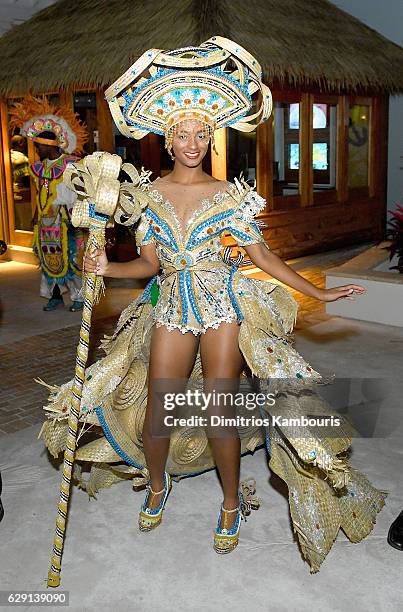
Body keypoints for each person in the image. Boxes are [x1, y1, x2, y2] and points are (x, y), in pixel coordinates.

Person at [39, 37, 386, 572]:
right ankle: (156, 486)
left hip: (222, 305)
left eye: (202, 133)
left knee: (220, 406)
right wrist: (108, 268)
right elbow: (149, 265)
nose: (194, 142)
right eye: (184, 133)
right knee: (161, 402)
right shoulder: (149, 197)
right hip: (172, 305)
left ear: (210, 137)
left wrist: (317, 291)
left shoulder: (230, 195)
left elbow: (262, 256)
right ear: (168, 139)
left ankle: (230, 504)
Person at [10, 96, 88, 311]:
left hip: (65, 221)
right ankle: (55, 296)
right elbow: (40, 195)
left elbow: (78, 193)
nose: (35, 150)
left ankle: (78, 296)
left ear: (49, 146)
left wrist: (72, 215)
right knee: (47, 259)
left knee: (71, 260)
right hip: (45, 223)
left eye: (38, 146)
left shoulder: (70, 166)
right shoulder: (39, 168)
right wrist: (36, 214)